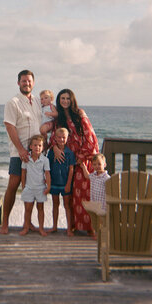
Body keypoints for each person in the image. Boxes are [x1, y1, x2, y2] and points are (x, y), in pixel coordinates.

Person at [50, 89, 99, 236]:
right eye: (62, 98)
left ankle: (91, 228)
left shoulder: (80, 114)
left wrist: (81, 156)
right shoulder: (58, 118)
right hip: (66, 160)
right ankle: (73, 226)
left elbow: (90, 137)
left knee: (84, 194)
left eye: (67, 98)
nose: (65, 101)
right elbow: (54, 136)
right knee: (69, 196)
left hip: (82, 160)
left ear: (72, 100)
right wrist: (54, 147)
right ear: (59, 100)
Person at [0, 70, 42, 234]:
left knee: (30, 188)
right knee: (13, 186)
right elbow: (10, 126)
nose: (27, 83)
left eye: (29, 81)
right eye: (24, 81)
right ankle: (4, 224)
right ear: (18, 83)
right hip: (19, 153)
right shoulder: (13, 102)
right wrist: (21, 150)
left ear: (33, 82)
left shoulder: (38, 101)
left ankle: (28, 223)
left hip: (36, 154)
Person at [20, 134, 51, 236]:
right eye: (35, 145)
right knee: (28, 209)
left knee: (40, 209)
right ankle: (26, 227)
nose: (37, 147)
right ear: (30, 146)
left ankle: (41, 228)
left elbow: (47, 174)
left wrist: (48, 187)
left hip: (40, 188)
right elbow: (23, 172)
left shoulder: (45, 160)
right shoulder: (26, 158)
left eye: (40, 145)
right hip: (29, 188)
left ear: (42, 147)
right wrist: (23, 186)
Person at [47, 127, 75, 236]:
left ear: (67, 138)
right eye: (59, 137)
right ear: (55, 138)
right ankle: (54, 226)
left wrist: (68, 184)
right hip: (54, 183)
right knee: (55, 205)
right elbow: (47, 168)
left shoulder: (70, 153)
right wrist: (48, 183)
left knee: (67, 206)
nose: (61, 140)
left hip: (65, 184)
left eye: (64, 138)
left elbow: (71, 169)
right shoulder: (51, 152)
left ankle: (69, 228)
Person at [81, 154, 110, 236]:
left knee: (102, 220)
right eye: (94, 164)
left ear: (104, 165)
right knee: (94, 219)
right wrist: (84, 167)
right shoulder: (93, 175)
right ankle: (95, 233)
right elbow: (87, 176)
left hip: (102, 204)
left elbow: (110, 188)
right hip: (94, 202)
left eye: (99, 164)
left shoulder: (106, 178)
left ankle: (102, 234)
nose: (97, 166)